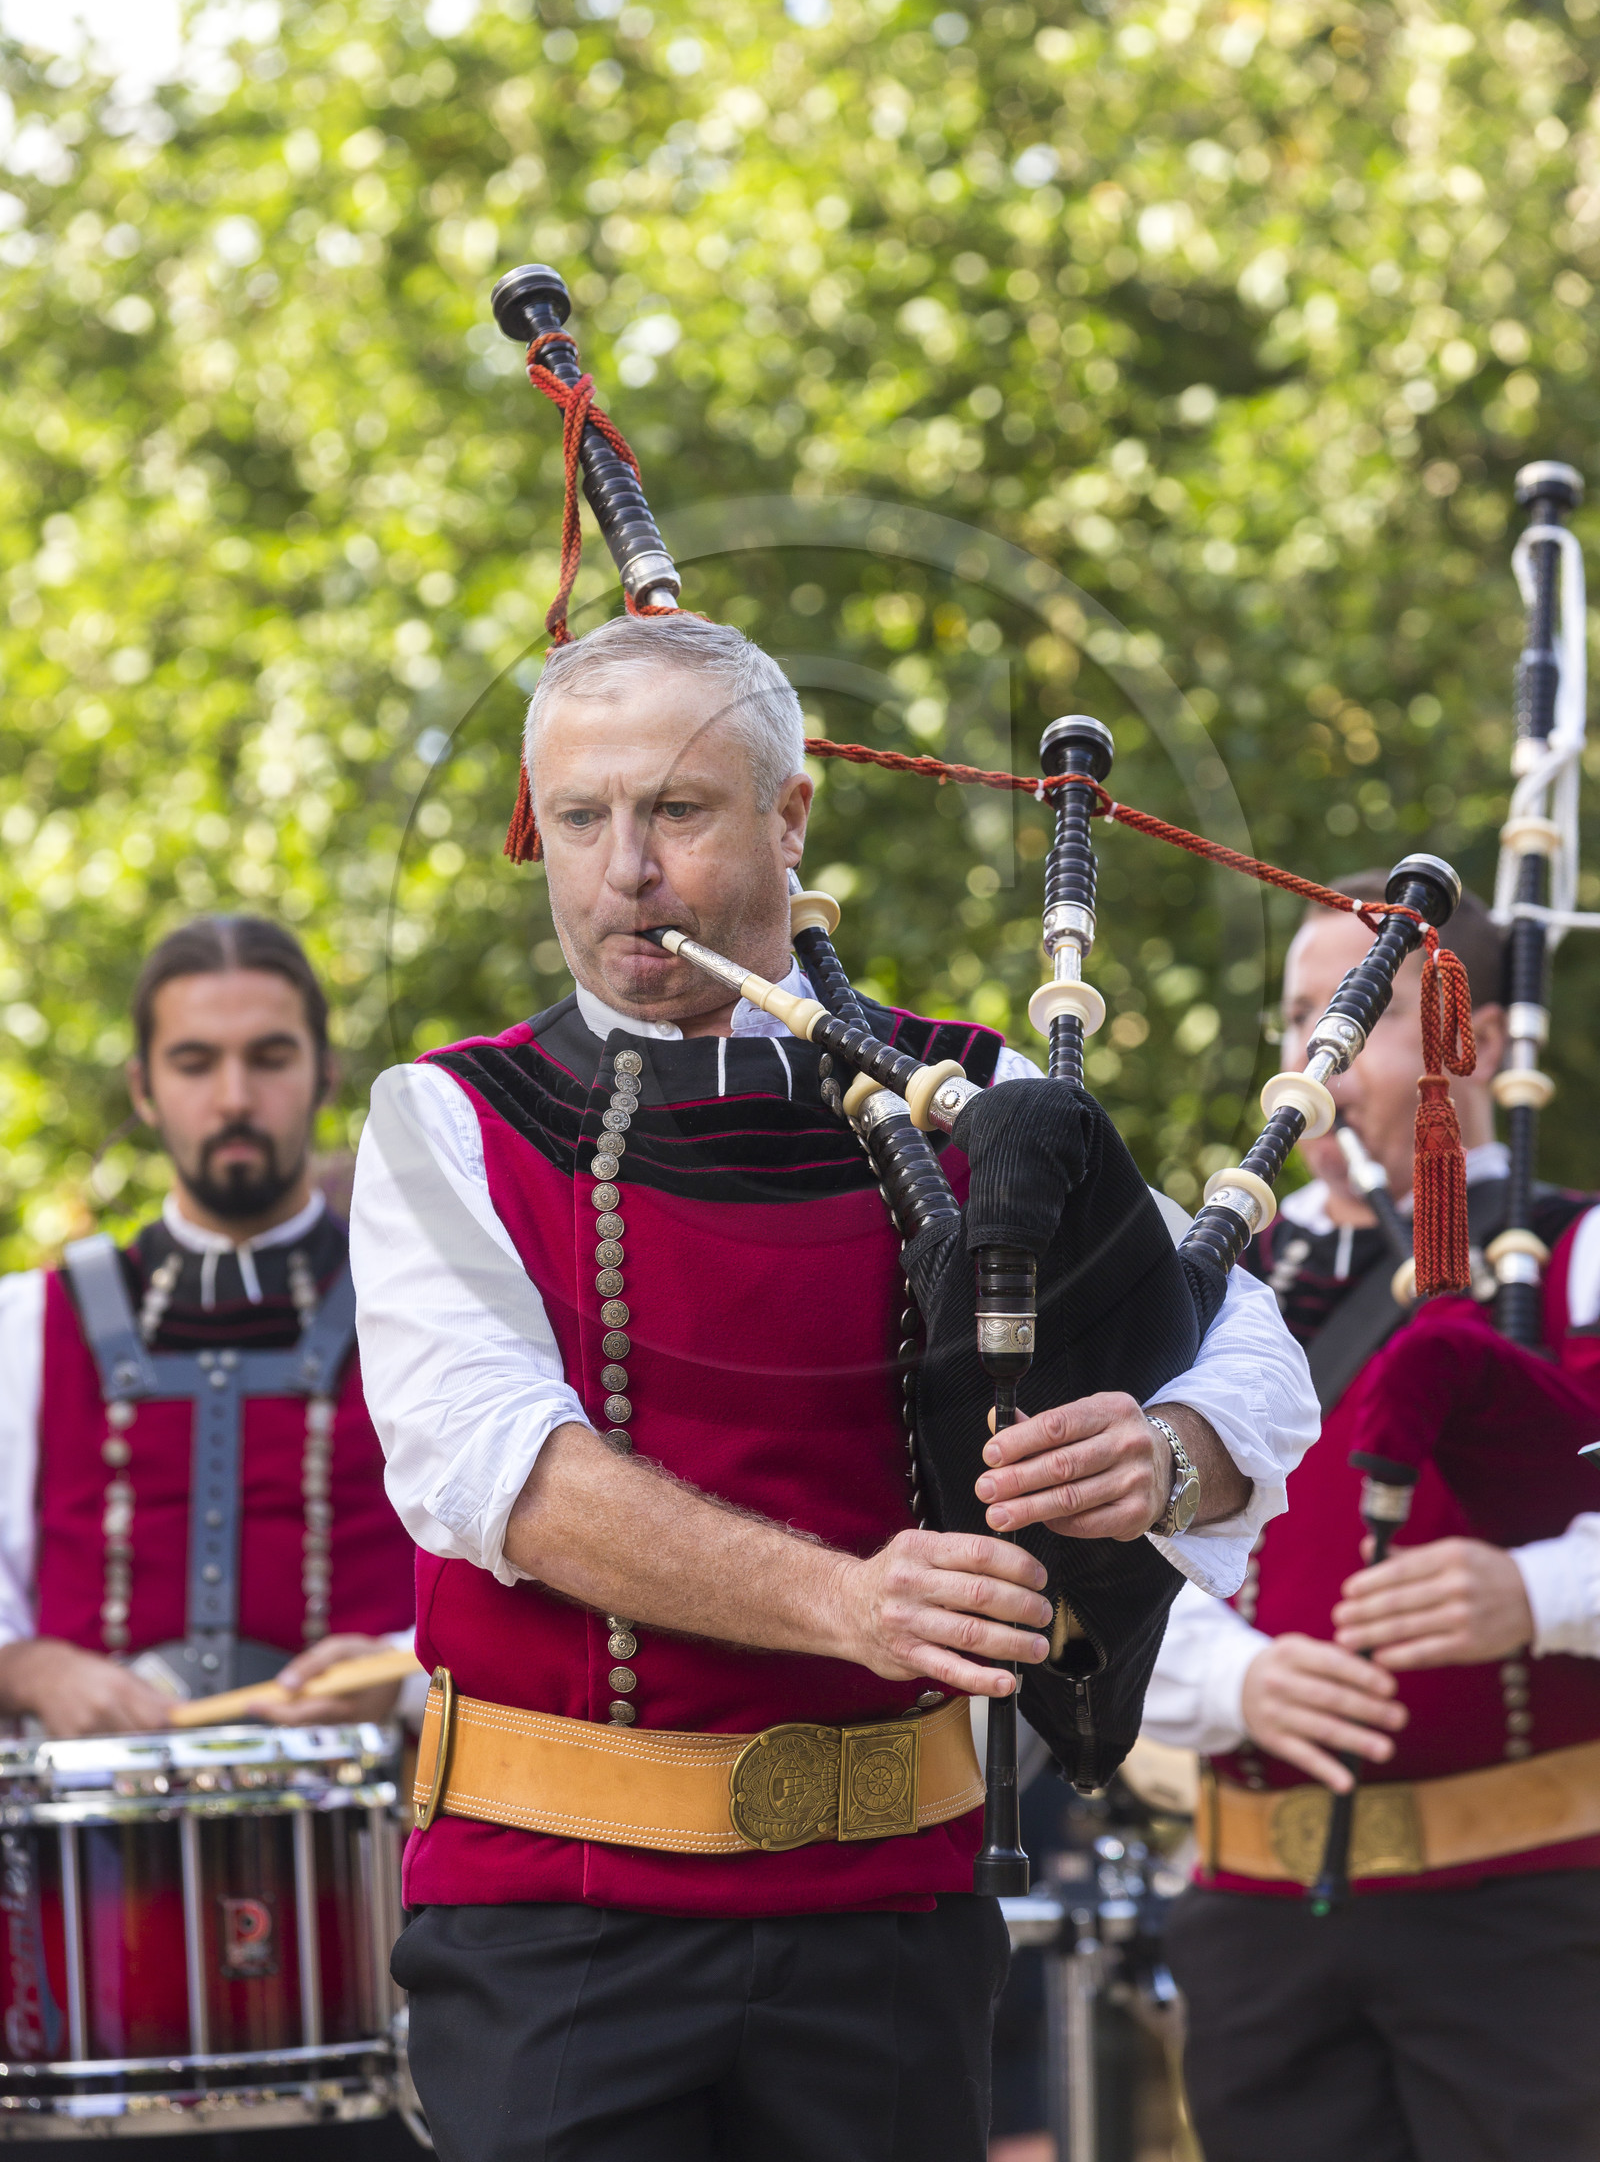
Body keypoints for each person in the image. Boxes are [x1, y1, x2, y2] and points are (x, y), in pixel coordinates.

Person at [351, 611, 1316, 2162]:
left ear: (790, 814)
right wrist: (850, 1606)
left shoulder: (980, 1093)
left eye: (675, 810)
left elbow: (1235, 1336)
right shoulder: (443, 1120)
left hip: (891, 1913)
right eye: (581, 820)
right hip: (556, 1918)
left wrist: (1165, 1452)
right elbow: (498, 1472)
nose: (624, 875)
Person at [1144, 875, 1600, 2162]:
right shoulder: (1213, 1296)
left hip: (1531, 1926)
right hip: (1257, 1928)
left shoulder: (1576, 1262)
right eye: (1298, 1017)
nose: (1317, 1054)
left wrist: (1534, 1596)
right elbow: (1106, 1563)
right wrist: (1238, 1678)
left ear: (1488, 1044)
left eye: (1361, 1012)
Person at [0, 916, 418, 1738]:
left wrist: (402, 1674)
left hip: (372, 1844)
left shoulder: (419, 1306)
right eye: (195, 1063)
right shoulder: (28, 1325)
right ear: (145, 1089)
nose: (233, 1097)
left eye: (268, 1058)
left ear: (323, 1076)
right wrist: (29, 1668)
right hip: (100, 1856)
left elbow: (509, 1595)